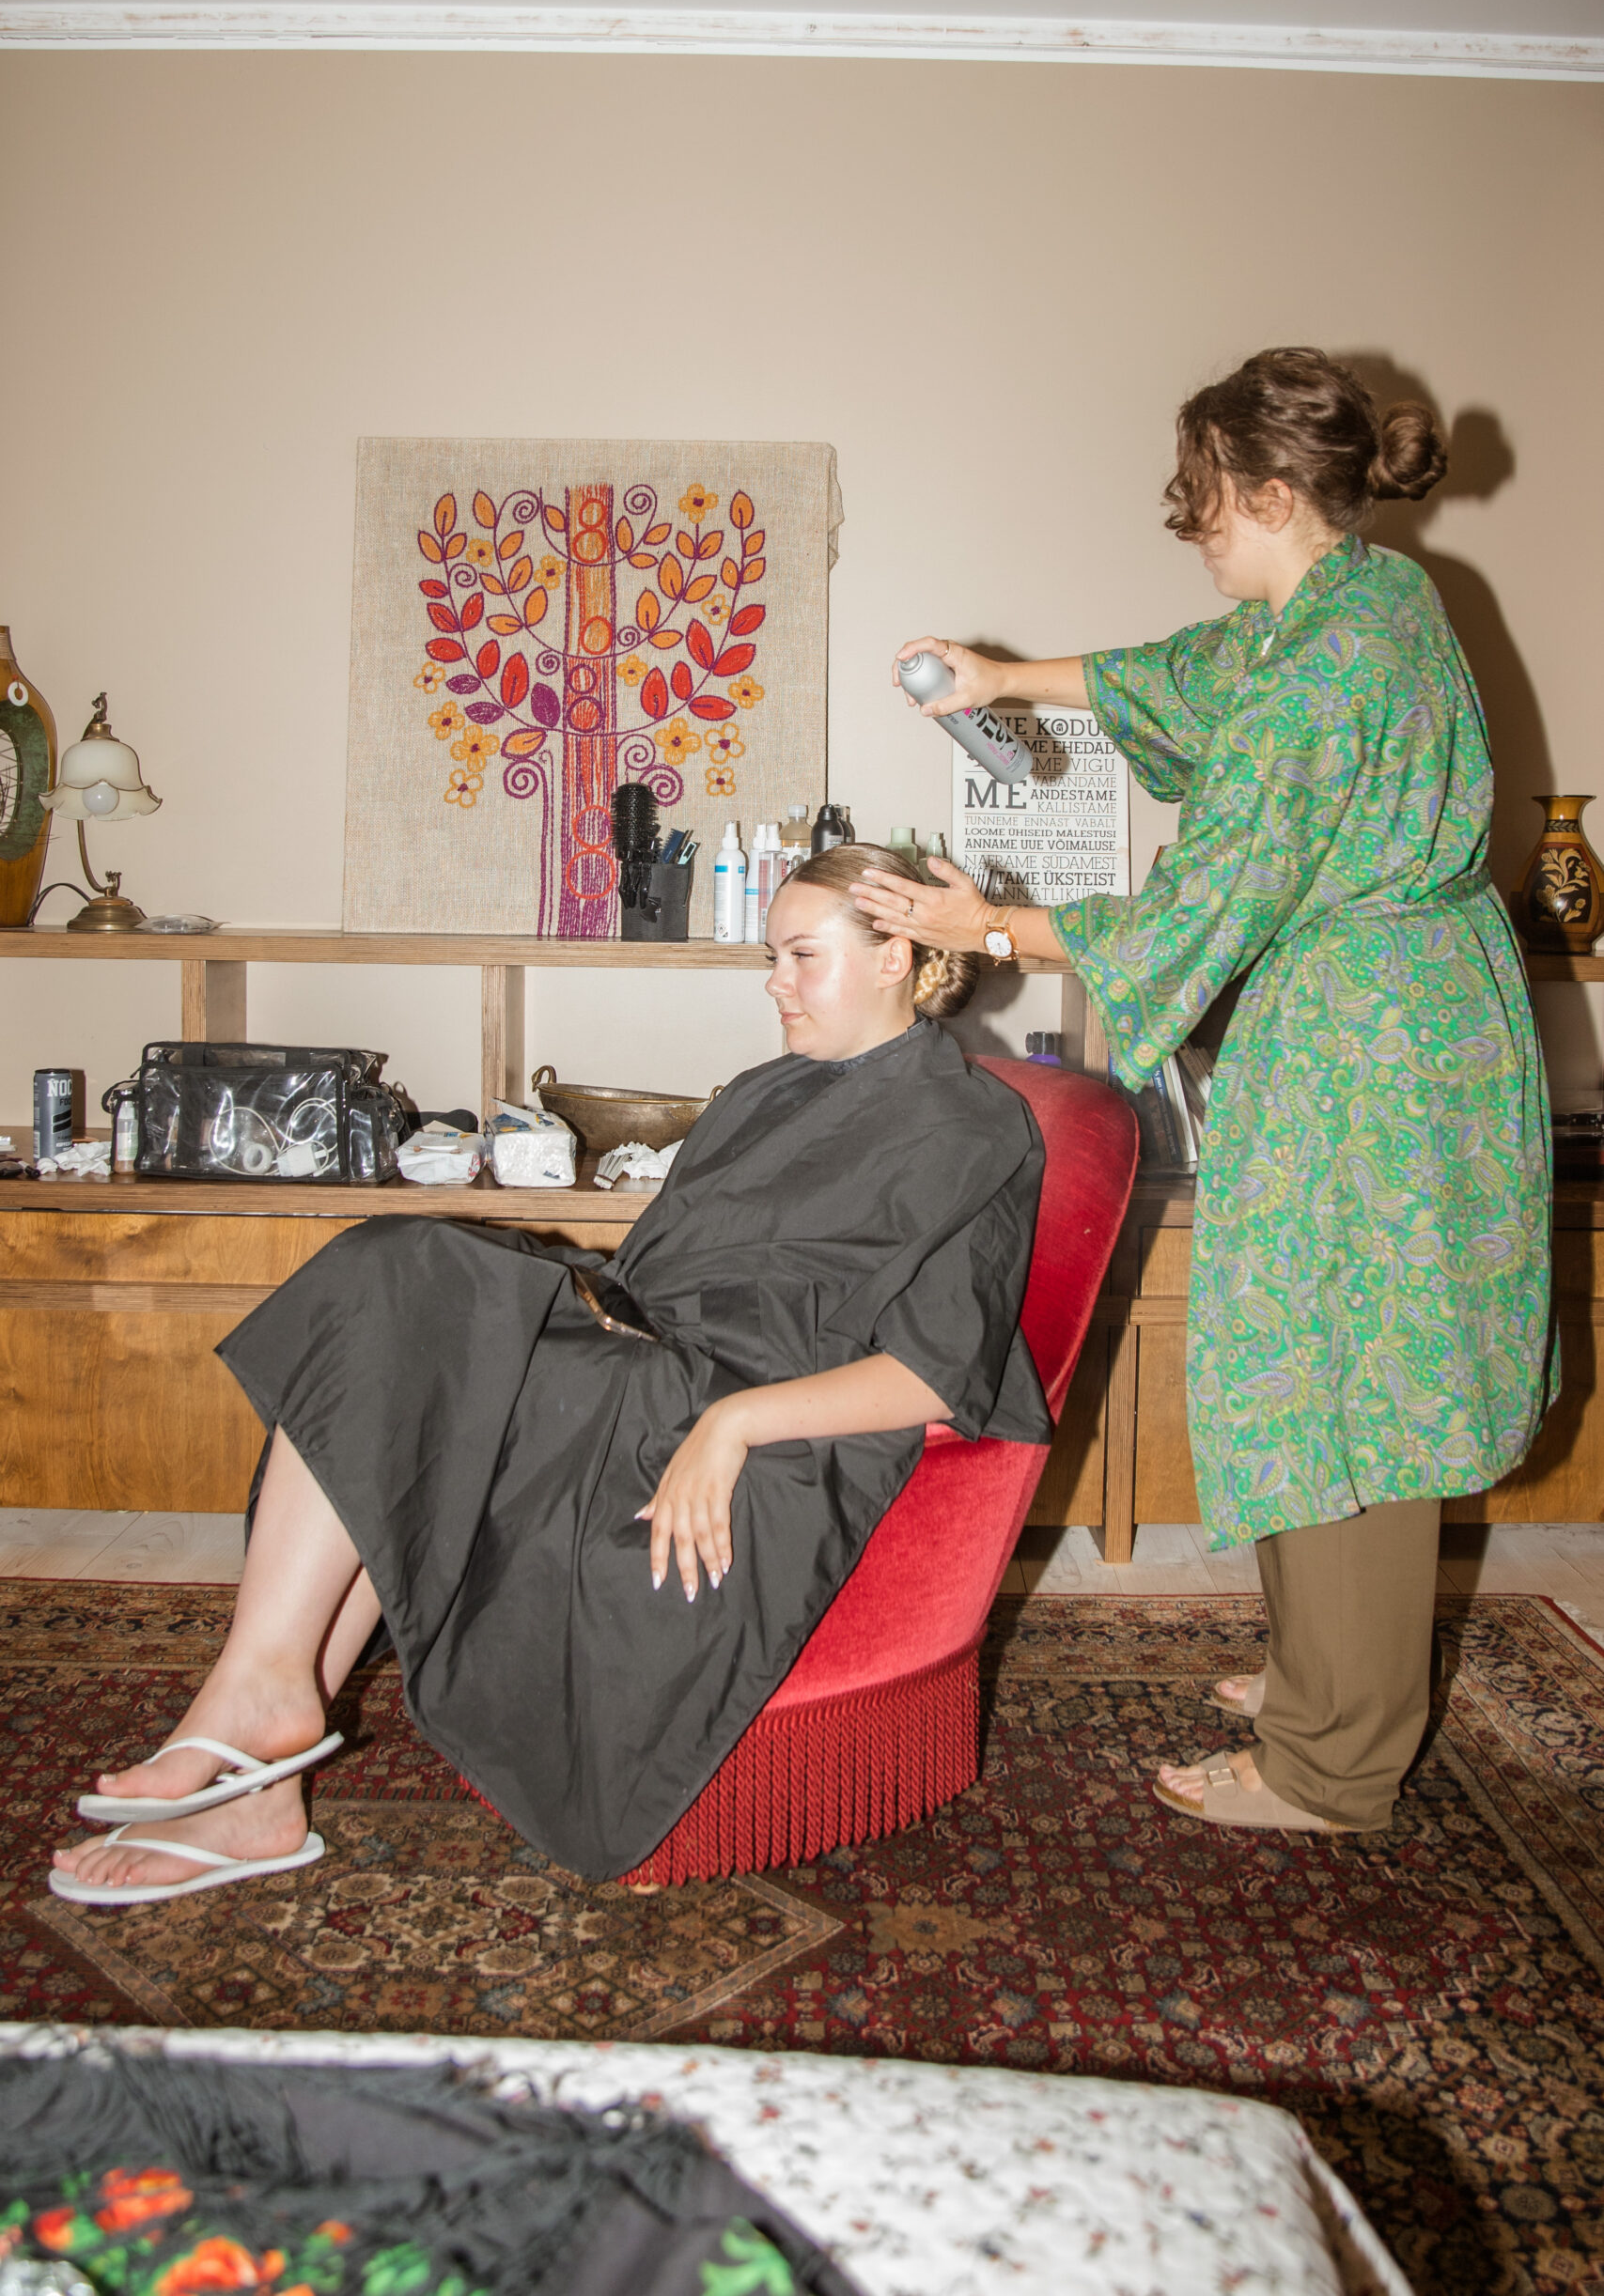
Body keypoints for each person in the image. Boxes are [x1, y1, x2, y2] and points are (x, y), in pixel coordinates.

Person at [52, 846, 1051, 1900]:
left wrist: (732, 1426)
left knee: (408, 1292)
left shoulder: (971, 1125)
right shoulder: (768, 1090)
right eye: (771, 956)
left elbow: (939, 1373)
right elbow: (664, 1266)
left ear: (896, 956)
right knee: (397, 1288)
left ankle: (261, 1726)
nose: (773, 982)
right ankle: (264, 1734)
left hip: (743, 1417)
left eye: (802, 956)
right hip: (644, 1356)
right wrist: (572, 1301)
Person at [854, 347, 1553, 1837]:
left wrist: (984, 926)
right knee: (1303, 1347)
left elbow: (1201, 897)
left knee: (1352, 1380)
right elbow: (1180, 673)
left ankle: (1332, 1763)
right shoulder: (1360, 596)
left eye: (1201, 497)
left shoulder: (1327, 669)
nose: (1187, 525)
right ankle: (1323, 1673)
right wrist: (999, 679)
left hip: (1373, 1048)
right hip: (1377, 1023)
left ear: (1269, 492)